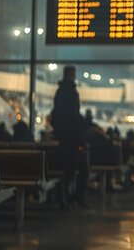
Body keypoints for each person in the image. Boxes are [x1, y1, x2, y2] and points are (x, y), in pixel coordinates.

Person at [51, 65, 88, 207]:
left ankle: (65, 195)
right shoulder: (72, 93)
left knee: (68, 169)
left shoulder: (59, 92)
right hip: (72, 138)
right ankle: (75, 196)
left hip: (63, 137)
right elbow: (74, 117)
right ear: (72, 75)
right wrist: (80, 138)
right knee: (81, 169)